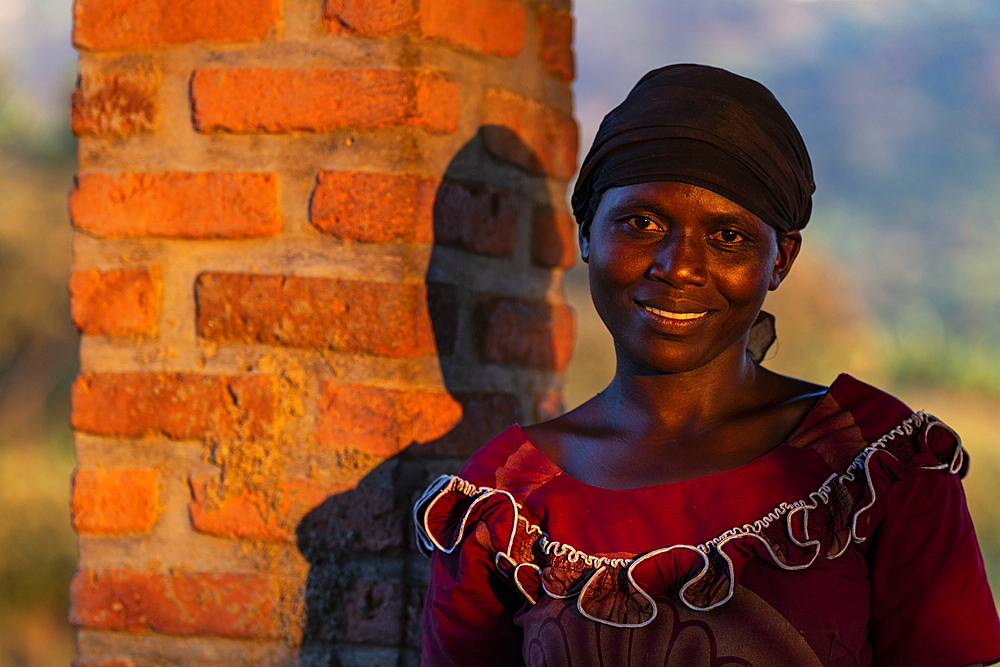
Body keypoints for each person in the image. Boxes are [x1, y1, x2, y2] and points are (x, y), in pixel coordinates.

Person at [413, 64, 1000, 667]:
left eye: (728, 236)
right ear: (588, 233)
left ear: (781, 260)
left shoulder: (875, 466)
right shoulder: (506, 502)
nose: (679, 266)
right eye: (641, 223)